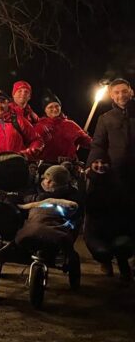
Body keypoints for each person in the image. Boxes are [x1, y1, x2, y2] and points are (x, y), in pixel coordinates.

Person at [86, 78, 135, 281]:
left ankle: (128, 260)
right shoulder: (106, 118)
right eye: (116, 92)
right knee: (115, 219)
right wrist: (95, 163)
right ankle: (108, 259)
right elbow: (98, 144)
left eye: (124, 91)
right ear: (111, 95)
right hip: (116, 177)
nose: (121, 95)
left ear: (131, 92)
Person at [34, 91, 92, 163]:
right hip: (46, 165)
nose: (55, 109)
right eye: (50, 107)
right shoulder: (39, 126)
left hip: (68, 164)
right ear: (45, 110)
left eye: (57, 106)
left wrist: (96, 142)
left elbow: (87, 142)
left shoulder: (70, 124)